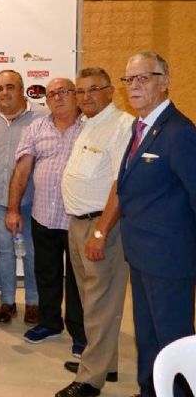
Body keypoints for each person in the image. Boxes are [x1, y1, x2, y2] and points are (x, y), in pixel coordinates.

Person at [115, 52, 196, 397]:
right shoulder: (141, 126)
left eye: (144, 78)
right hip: (142, 255)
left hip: (170, 261)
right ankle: (150, 391)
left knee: (173, 340)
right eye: (129, 79)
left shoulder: (179, 133)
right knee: (147, 336)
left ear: (165, 82)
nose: (134, 86)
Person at [56, 68, 133, 397]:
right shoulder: (89, 126)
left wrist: (101, 232)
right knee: (91, 301)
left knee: (101, 302)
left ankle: (90, 380)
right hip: (79, 223)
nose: (85, 97)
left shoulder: (121, 126)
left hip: (102, 225)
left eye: (93, 90)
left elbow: (122, 183)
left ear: (111, 91)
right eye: (80, 91)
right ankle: (105, 363)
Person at [6, 78, 86, 354]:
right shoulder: (37, 127)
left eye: (64, 92)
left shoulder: (90, 126)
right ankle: (50, 322)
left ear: (75, 95)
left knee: (78, 279)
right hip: (43, 216)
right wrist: (14, 208)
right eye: (52, 94)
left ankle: (80, 332)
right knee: (47, 273)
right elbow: (22, 171)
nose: (58, 98)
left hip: (78, 219)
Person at [0, 70, 45, 325]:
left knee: (32, 253)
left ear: (22, 89)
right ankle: (7, 302)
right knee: (4, 252)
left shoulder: (42, 116)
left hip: (31, 201)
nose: (4, 93)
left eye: (10, 87)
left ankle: (34, 302)